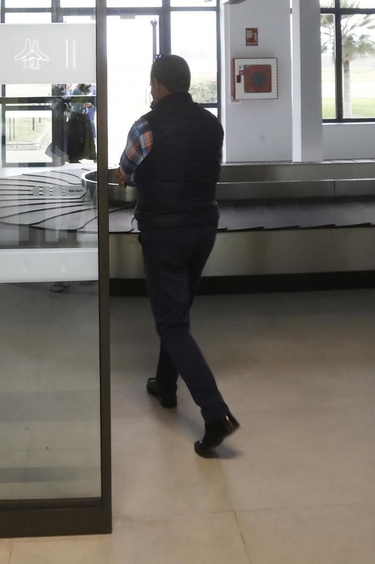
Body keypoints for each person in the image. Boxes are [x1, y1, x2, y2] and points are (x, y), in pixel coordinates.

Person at [116, 54, 239, 457]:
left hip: (164, 232)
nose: (151, 89)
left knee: (172, 324)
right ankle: (164, 385)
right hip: (203, 227)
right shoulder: (212, 124)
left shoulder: (146, 126)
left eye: (153, 83)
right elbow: (210, 169)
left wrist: (129, 175)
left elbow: (127, 171)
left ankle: (215, 412)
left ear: (159, 84)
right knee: (178, 312)